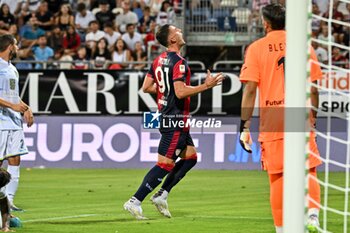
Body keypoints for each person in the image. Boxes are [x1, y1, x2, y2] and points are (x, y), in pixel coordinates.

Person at [123, 24, 225, 220]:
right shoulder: (179, 62)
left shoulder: (158, 60)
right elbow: (179, 92)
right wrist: (206, 85)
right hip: (175, 119)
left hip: (171, 117)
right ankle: (135, 201)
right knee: (164, 164)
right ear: (172, 40)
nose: (180, 30)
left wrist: (166, 91)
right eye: (176, 30)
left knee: (191, 158)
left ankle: (162, 194)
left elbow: (146, 87)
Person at [238, 4, 322, 233]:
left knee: (277, 176)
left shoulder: (256, 48)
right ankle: (313, 216)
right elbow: (313, 88)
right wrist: (313, 115)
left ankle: (282, 228)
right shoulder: (304, 45)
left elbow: (250, 90)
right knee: (309, 169)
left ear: (265, 23)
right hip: (300, 113)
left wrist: (244, 126)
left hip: (273, 118)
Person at [0, 34, 34, 212]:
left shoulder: (12, 68)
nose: (18, 48)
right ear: (9, 47)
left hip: (13, 122)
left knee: (15, 159)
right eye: (16, 45)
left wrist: (26, 108)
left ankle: (9, 202)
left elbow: (13, 95)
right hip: (0, 122)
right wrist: (13, 105)